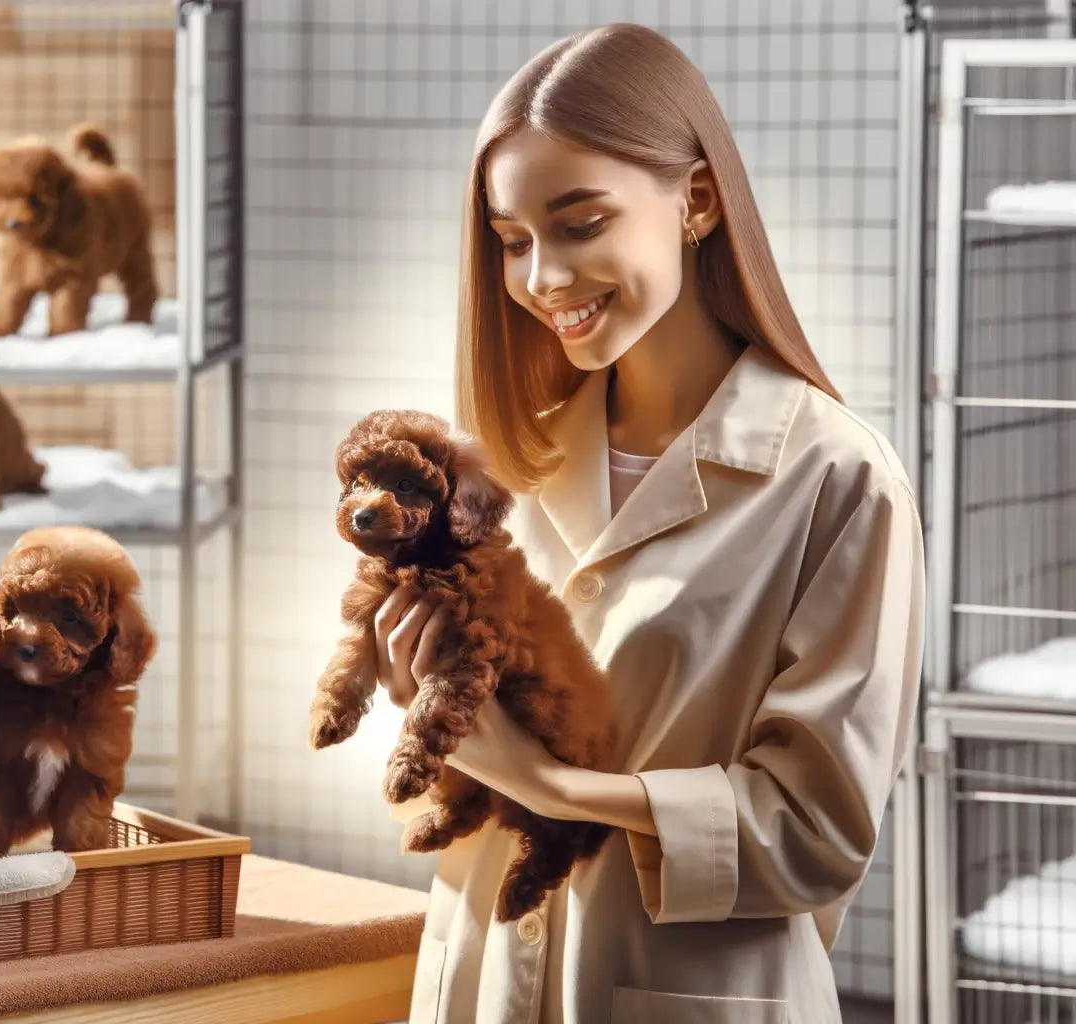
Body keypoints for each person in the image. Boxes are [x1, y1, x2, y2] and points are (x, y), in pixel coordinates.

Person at [374, 23, 925, 1024]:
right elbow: (450, 764)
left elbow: (814, 828)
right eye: (510, 241)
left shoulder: (837, 480)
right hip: (482, 978)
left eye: (579, 222)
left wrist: (552, 785)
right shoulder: (496, 469)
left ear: (696, 200)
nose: (540, 276)